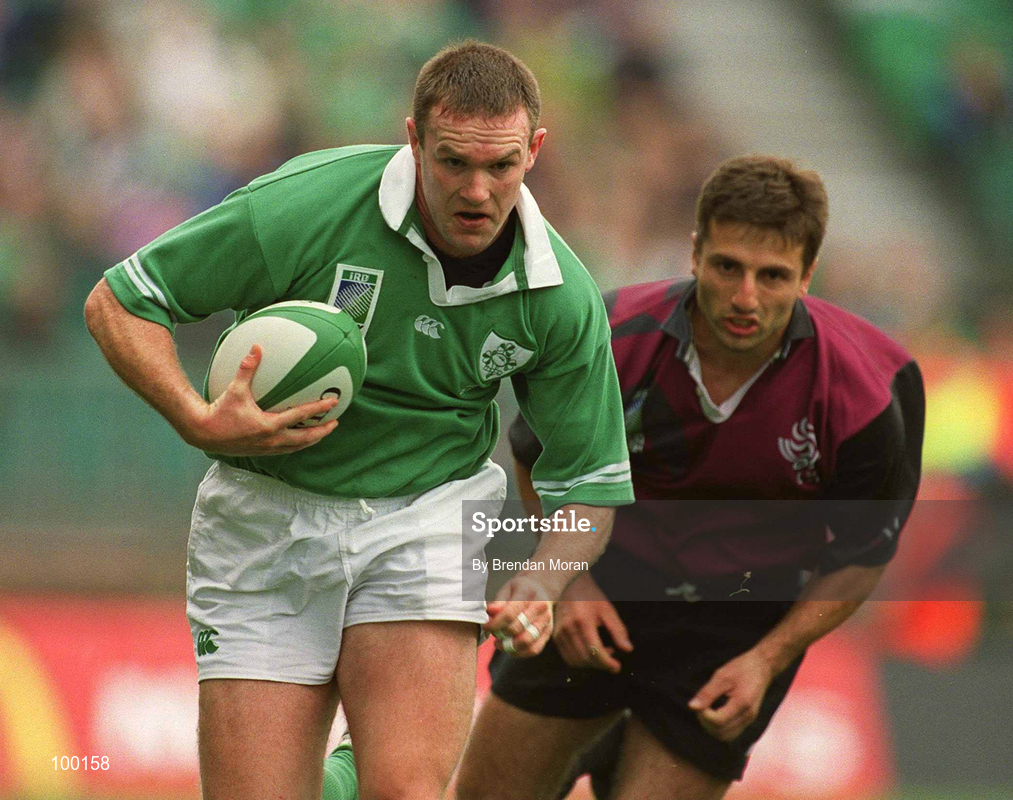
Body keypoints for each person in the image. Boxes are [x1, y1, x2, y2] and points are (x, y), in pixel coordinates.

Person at [83, 41, 633, 800]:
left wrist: (540, 581)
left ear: (533, 151)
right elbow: (122, 300)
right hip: (266, 516)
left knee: (408, 793)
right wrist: (195, 417)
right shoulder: (305, 205)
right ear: (413, 139)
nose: (478, 190)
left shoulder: (559, 294)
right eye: (453, 163)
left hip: (428, 514)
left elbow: (591, 492)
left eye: (501, 166)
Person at [455, 155, 926, 800]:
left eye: (773, 275)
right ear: (696, 250)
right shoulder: (614, 336)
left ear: (808, 274)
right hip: (603, 585)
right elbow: (538, 461)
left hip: (738, 626)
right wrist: (570, 582)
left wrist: (768, 659)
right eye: (728, 265)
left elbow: (862, 556)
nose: (745, 298)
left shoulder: (871, 393)